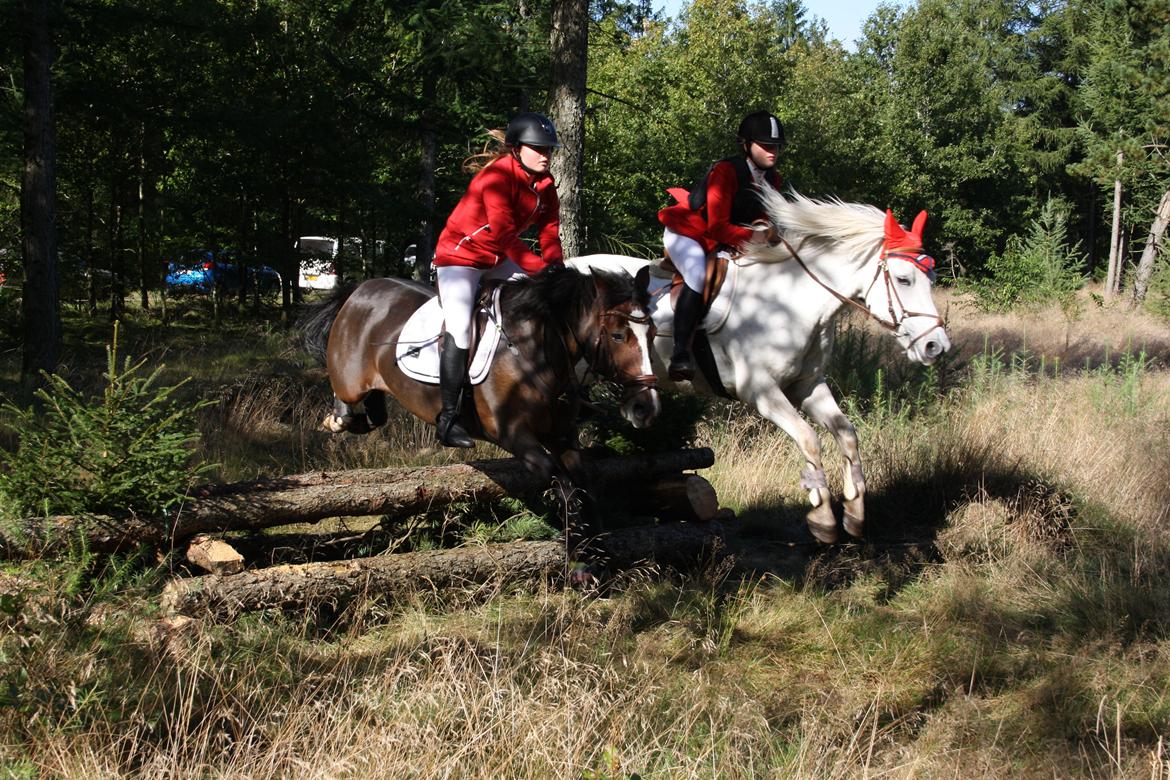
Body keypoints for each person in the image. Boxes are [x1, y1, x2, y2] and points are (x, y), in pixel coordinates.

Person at [430, 112, 565, 447]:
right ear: (516, 149)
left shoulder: (545, 185)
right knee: (460, 327)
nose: (545, 154)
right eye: (538, 148)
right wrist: (539, 268)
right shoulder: (496, 178)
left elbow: (549, 232)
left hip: (497, 260)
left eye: (548, 148)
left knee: (544, 302)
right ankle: (448, 418)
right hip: (459, 259)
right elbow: (505, 235)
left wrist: (556, 267)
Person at [657, 110, 785, 381]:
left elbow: (760, 214)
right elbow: (716, 226)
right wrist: (757, 237)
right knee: (697, 275)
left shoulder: (774, 179)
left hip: (726, 239)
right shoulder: (726, 171)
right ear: (746, 145)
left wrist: (766, 228)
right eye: (766, 145)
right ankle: (680, 352)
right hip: (690, 232)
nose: (773, 151)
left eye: (776, 146)